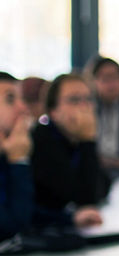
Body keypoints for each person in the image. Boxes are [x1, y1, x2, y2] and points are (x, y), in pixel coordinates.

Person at [30, 73, 106, 227]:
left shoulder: (73, 141)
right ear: (53, 112)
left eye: (88, 99)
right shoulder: (42, 139)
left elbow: (104, 184)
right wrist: (88, 140)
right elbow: (85, 199)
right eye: (74, 100)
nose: (84, 107)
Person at [0, 71, 35, 242]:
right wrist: (19, 161)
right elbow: (11, 227)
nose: (23, 108)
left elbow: (28, 207)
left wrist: (69, 218)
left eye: (22, 99)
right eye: (10, 99)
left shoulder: (8, 149)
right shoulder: (16, 151)